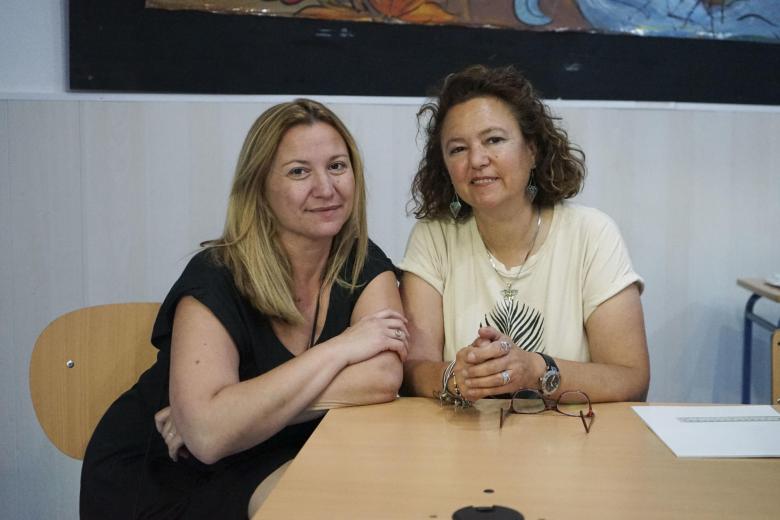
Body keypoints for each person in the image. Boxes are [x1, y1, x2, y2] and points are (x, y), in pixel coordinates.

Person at [80, 99, 409, 519]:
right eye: (299, 171)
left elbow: (381, 378)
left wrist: (234, 418)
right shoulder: (216, 274)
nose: (326, 188)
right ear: (259, 187)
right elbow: (207, 440)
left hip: (269, 453)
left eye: (337, 166)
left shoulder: (361, 259)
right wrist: (341, 348)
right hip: (169, 472)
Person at [398, 65, 649, 406]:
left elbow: (631, 378)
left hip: (571, 445)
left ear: (532, 150)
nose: (477, 159)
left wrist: (538, 369)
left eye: (494, 140)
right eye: (457, 149)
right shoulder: (433, 237)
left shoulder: (591, 233)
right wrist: (455, 378)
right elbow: (412, 368)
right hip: (464, 443)